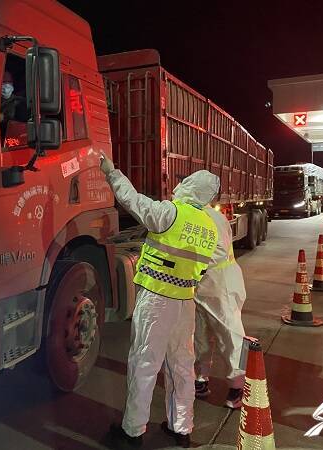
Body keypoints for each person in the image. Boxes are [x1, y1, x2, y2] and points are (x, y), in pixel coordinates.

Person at [100, 151, 220, 449]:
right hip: (185, 302)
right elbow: (203, 267)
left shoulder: (170, 213)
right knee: (182, 365)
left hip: (157, 299)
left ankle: (132, 432)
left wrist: (111, 172)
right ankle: (182, 428)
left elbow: (132, 200)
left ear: (190, 186)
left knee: (144, 362)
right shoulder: (209, 226)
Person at [193, 204, 247, 409]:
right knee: (199, 336)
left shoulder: (209, 218)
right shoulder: (206, 215)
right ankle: (200, 379)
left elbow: (215, 253)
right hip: (202, 286)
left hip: (220, 285)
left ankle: (238, 386)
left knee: (231, 336)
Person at [0, 70, 26, 138]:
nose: (7, 85)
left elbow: (21, 123)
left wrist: (4, 118)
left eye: (9, 82)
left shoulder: (20, 102)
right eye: (4, 82)